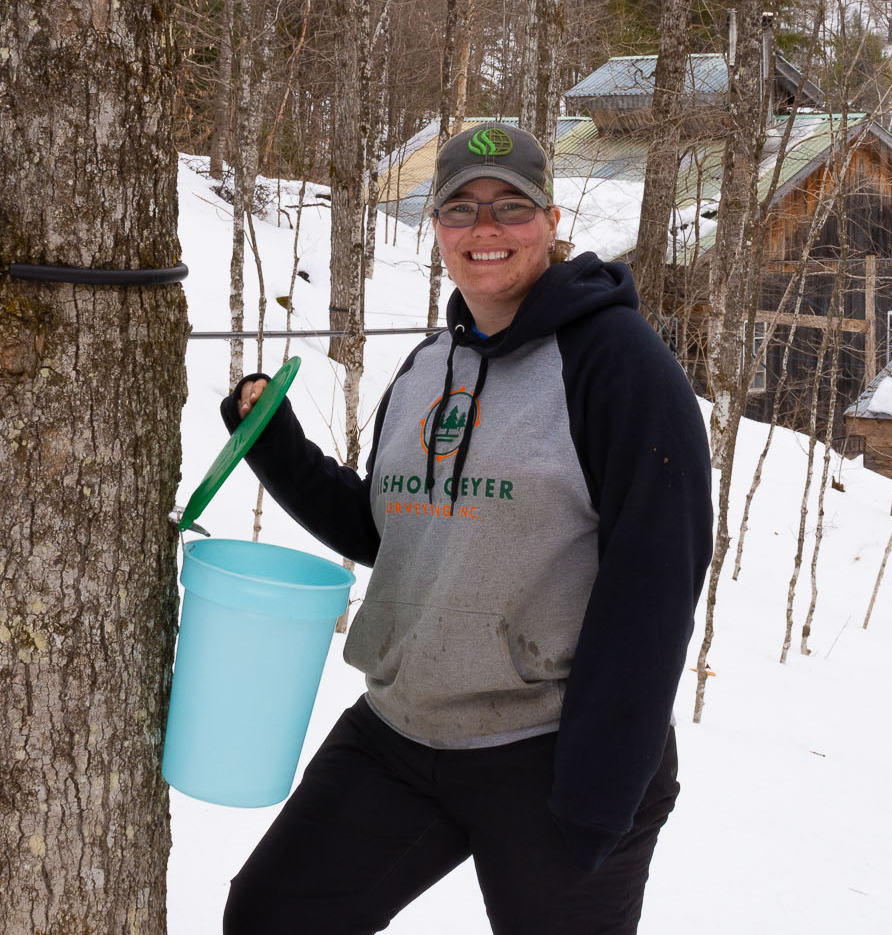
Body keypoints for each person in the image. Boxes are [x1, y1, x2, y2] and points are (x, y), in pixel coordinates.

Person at [218, 122, 713, 935]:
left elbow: (656, 581)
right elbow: (390, 531)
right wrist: (271, 439)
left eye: (510, 206)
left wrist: (598, 793)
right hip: (404, 733)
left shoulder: (616, 362)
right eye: (461, 208)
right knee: (273, 914)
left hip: (550, 750)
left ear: (550, 222)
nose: (485, 229)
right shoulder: (425, 368)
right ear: (437, 228)